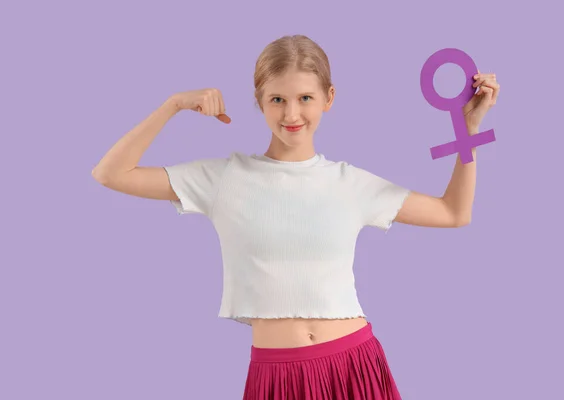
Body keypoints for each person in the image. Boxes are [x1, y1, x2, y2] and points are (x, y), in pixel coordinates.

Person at [91, 34, 499, 399]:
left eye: (305, 98)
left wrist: (468, 129)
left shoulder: (349, 183)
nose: (291, 114)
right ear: (259, 100)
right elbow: (111, 173)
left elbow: (453, 212)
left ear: (329, 98)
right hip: (277, 379)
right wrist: (174, 104)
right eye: (277, 99)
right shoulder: (222, 178)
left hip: (354, 366)